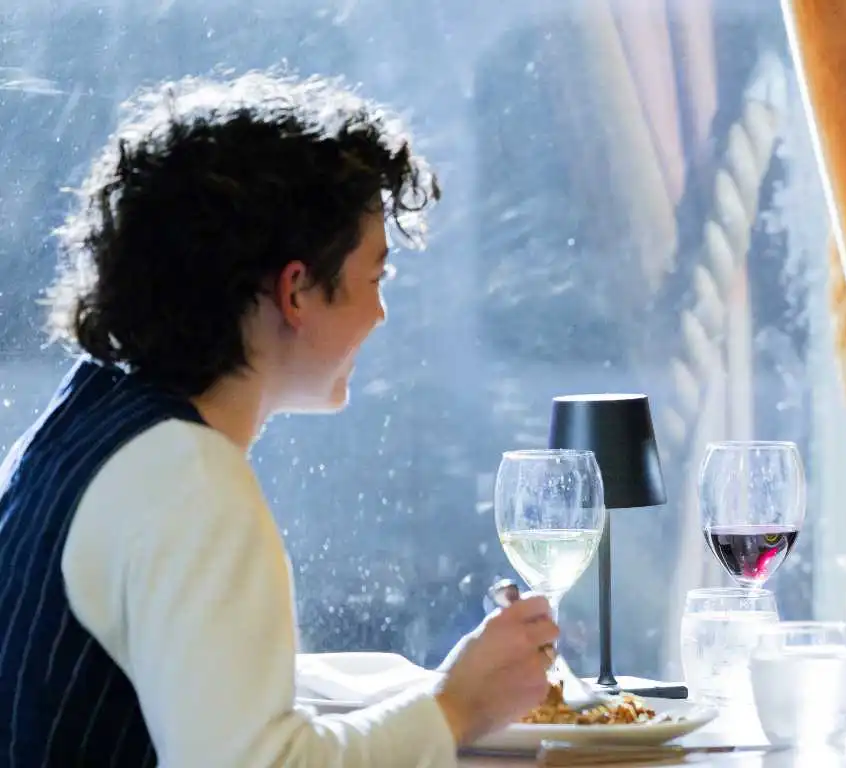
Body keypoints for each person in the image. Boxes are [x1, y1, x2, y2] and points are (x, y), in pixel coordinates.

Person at [0, 71, 558, 766]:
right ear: (296, 291)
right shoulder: (188, 479)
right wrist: (453, 708)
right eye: (376, 278)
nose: (380, 313)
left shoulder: (82, 423)